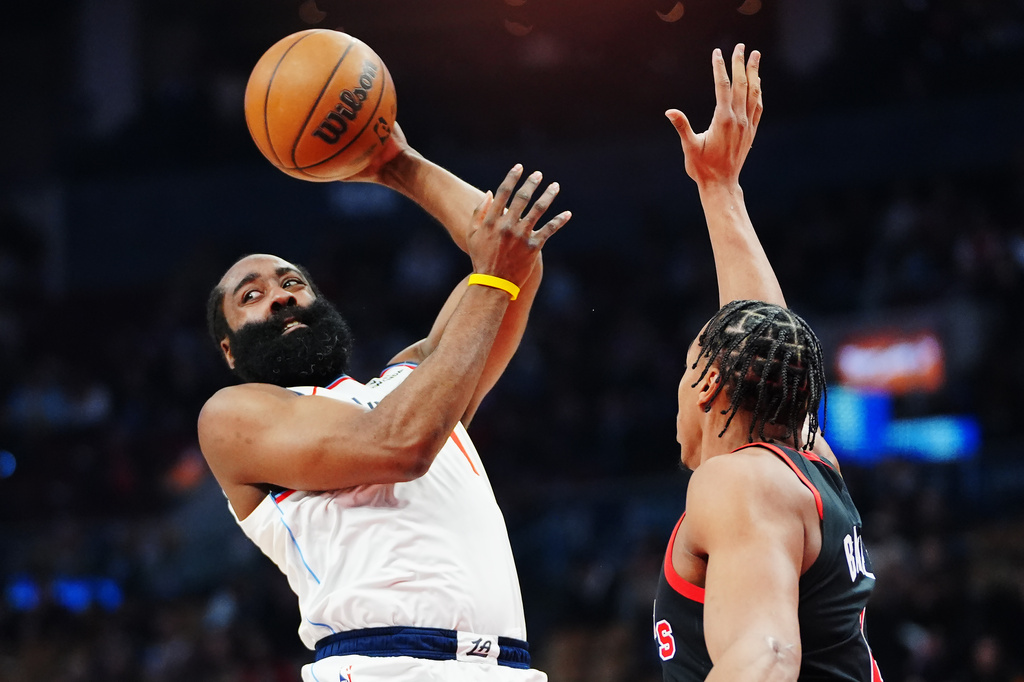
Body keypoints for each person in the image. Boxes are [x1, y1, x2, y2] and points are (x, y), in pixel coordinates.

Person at [198, 123, 571, 682]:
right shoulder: (234, 416)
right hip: (382, 666)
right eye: (252, 296)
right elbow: (400, 445)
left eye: (291, 281)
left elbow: (513, 261)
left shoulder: (416, 382)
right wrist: (493, 277)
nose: (279, 297)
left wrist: (401, 165)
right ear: (229, 350)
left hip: (507, 667)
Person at [651, 45, 884, 681]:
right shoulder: (808, 464)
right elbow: (765, 336)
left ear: (708, 386)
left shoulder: (743, 484)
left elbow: (769, 657)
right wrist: (719, 188)